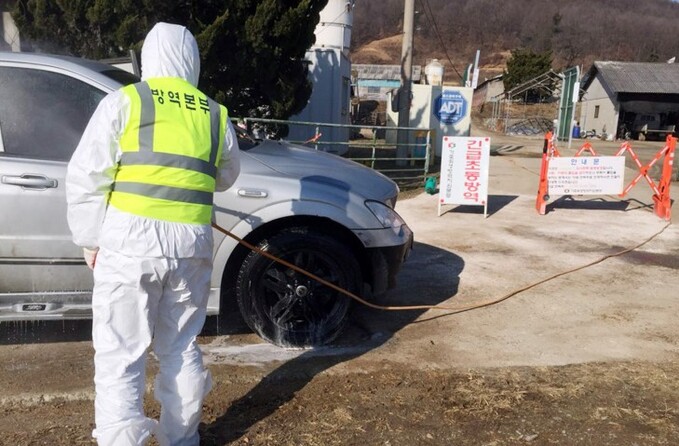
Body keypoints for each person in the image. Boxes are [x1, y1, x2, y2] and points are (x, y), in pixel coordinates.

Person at [65, 22, 240, 446]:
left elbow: (87, 176)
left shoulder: (126, 101)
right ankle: (182, 439)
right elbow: (226, 177)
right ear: (193, 61)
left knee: (121, 355)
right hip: (191, 247)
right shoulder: (215, 114)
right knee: (180, 348)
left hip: (129, 246)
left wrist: (91, 240)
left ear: (150, 57)